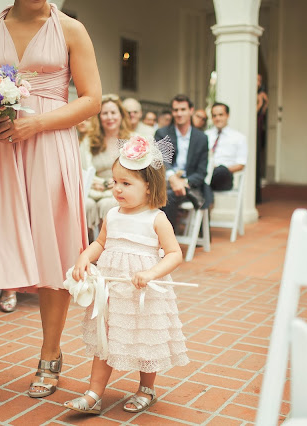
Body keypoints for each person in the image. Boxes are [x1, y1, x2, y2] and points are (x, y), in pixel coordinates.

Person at [0, 0, 101, 419]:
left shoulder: (71, 30)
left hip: (50, 148)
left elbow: (92, 100)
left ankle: (50, 353)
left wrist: (36, 123)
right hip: (0, 152)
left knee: (52, 249)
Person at [63, 136, 188, 415]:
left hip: (143, 292)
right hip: (113, 293)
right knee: (105, 337)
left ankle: (146, 389)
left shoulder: (156, 218)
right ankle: (94, 394)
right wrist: (85, 257)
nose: (117, 188)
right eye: (115, 182)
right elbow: (100, 243)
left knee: (145, 340)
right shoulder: (113, 215)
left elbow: (174, 253)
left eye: (126, 183)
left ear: (148, 186)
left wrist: (151, 273)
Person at [154, 94, 210, 230]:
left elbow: (201, 172)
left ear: (191, 110)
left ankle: (166, 238)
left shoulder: (201, 138)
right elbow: (161, 161)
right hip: (166, 181)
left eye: (183, 109)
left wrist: (184, 182)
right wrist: (173, 178)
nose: (179, 114)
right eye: (176, 110)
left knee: (168, 196)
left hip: (189, 185)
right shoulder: (162, 133)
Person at [79, 94, 131, 232]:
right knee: (86, 204)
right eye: (105, 113)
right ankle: (87, 241)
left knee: (108, 204)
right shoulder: (88, 140)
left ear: (121, 115)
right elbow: (82, 169)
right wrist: (97, 183)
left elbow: (135, 171)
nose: (109, 117)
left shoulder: (131, 140)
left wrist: (115, 183)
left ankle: (109, 242)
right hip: (93, 188)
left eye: (113, 112)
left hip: (120, 188)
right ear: (99, 117)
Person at [205, 102, 247, 191]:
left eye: (221, 115)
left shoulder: (239, 138)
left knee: (220, 171)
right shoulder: (205, 135)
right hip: (205, 173)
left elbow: (241, 165)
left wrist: (218, 170)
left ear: (227, 115)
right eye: (214, 116)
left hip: (224, 176)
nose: (217, 118)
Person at [256, 74, 269, 204]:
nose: (257, 82)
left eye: (259, 80)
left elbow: (261, 111)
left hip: (258, 126)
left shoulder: (261, 95)